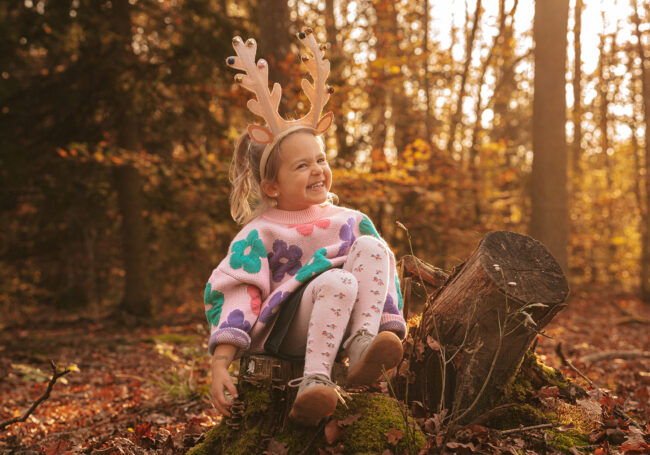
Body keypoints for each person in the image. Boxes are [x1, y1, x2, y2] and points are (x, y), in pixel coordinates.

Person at [205, 29, 407, 427]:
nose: (317, 170)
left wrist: (388, 327)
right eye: (302, 165)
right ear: (272, 186)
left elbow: (379, 276)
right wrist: (220, 364)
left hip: (345, 319)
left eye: (321, 160)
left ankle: (364, 347)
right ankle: (312, 383)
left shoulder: (350, 221)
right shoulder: (259, 233)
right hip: (287, 332)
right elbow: (238, 293)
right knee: (339, 283)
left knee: (375, 249)